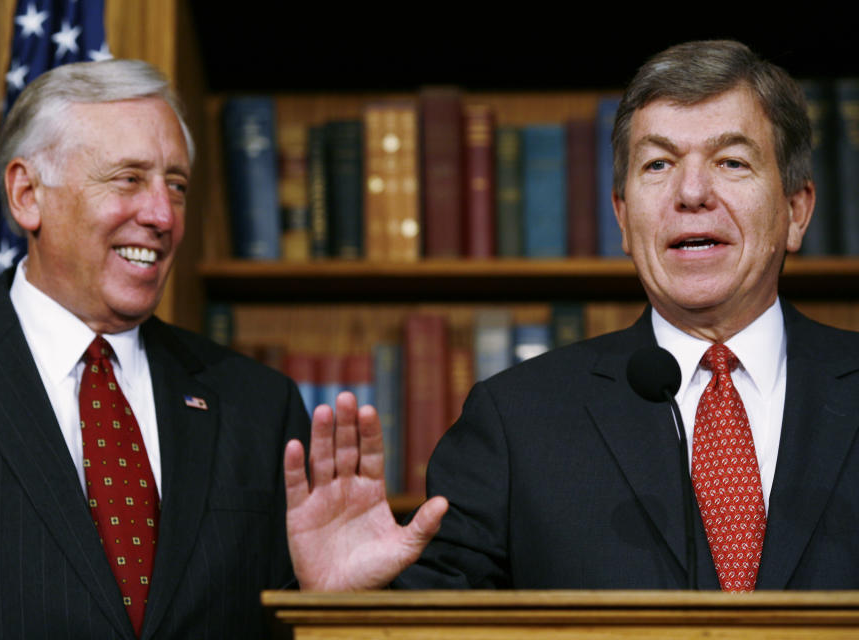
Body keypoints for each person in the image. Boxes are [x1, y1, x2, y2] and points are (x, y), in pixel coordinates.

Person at [285, 40, 859, 591]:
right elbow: (433, 620)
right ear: (623, 215)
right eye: (658, 165)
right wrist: (352, 603)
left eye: (731, 161)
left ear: (795, 210)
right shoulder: (515, 420)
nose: (690, 192)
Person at [0, 60, 308, 638]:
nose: (162, 215)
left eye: (177, 186)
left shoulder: (260, 406)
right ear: (26, 194)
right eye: (128, 179)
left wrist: (333, 601)